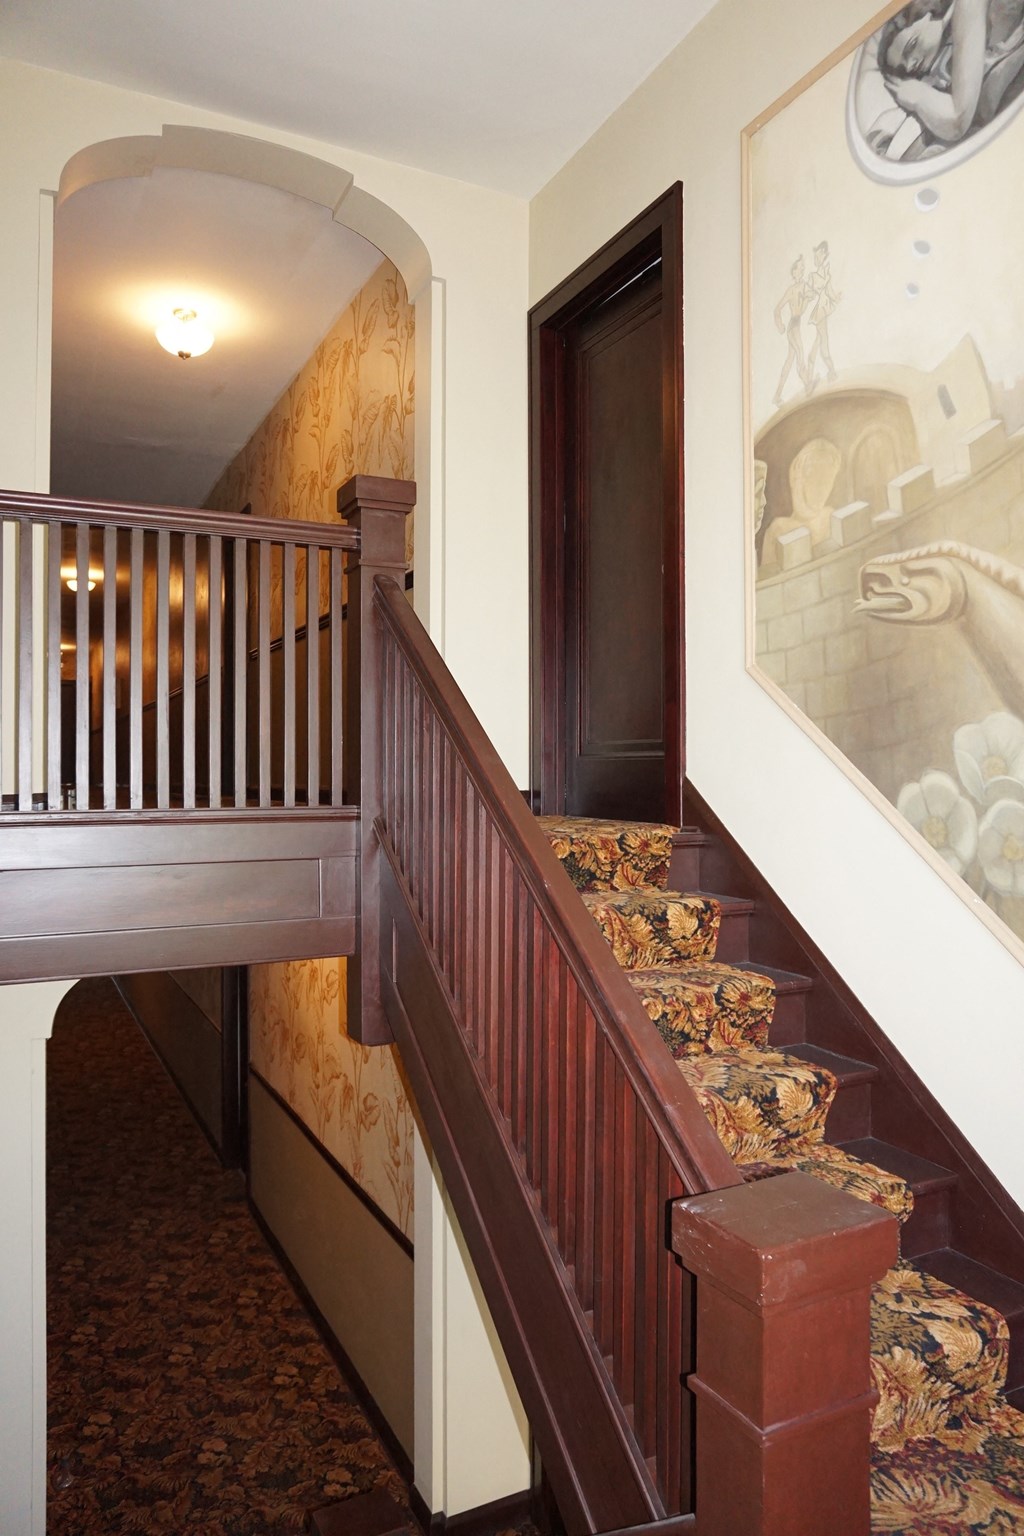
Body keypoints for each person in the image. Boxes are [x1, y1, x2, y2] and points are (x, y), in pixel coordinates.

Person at [878, 0, 1024, 145]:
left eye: (911, 46)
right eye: (905, 70)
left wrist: (918, 97)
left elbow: (957, 121)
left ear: (926, 12)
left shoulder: (967, 5)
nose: (911, 65)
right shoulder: (945, 56)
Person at [772, 256, 812, 407]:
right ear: (794, 272)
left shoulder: (804, 286)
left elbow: (802, 308)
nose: (802, 270)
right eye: (800, 268)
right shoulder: (791, 290)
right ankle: (808, 384)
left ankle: (777, 396)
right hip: (792, 327)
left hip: (797, 325)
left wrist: (808, 299)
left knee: (789, 362)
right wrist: (780, 325)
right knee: (800, 354)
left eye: (803, 267)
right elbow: (777, 309)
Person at [806, 241, 841, 389]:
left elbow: (830, 292)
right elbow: (810, 293)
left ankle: (812, 378)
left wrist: (837, 297)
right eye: (815, 256)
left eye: (819, 255)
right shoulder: (813, 276)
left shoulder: (827, 273)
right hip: (820, 311)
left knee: (820, 341)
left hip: (825, 309)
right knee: (823, 343)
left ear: (824, 255)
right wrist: (808, 294)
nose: (816, 258)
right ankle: (831, 372)